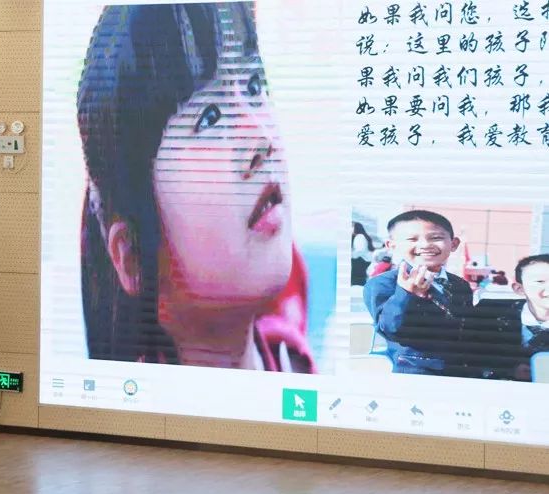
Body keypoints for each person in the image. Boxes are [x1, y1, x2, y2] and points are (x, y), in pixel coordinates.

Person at [77, 3, 315, 372]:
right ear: (134, 256)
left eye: (255, 86)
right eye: (210, 117)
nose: (261, 139)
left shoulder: (294, 359)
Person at [362, 210, 474, 376]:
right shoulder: (382, 284)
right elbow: (391, 329)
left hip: (461, 371)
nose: (425, 245)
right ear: (392, 246)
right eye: (412, 239)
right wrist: (406, 294)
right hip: (415, 372)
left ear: (454, 244)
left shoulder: (460, 284)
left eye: (436, 237)